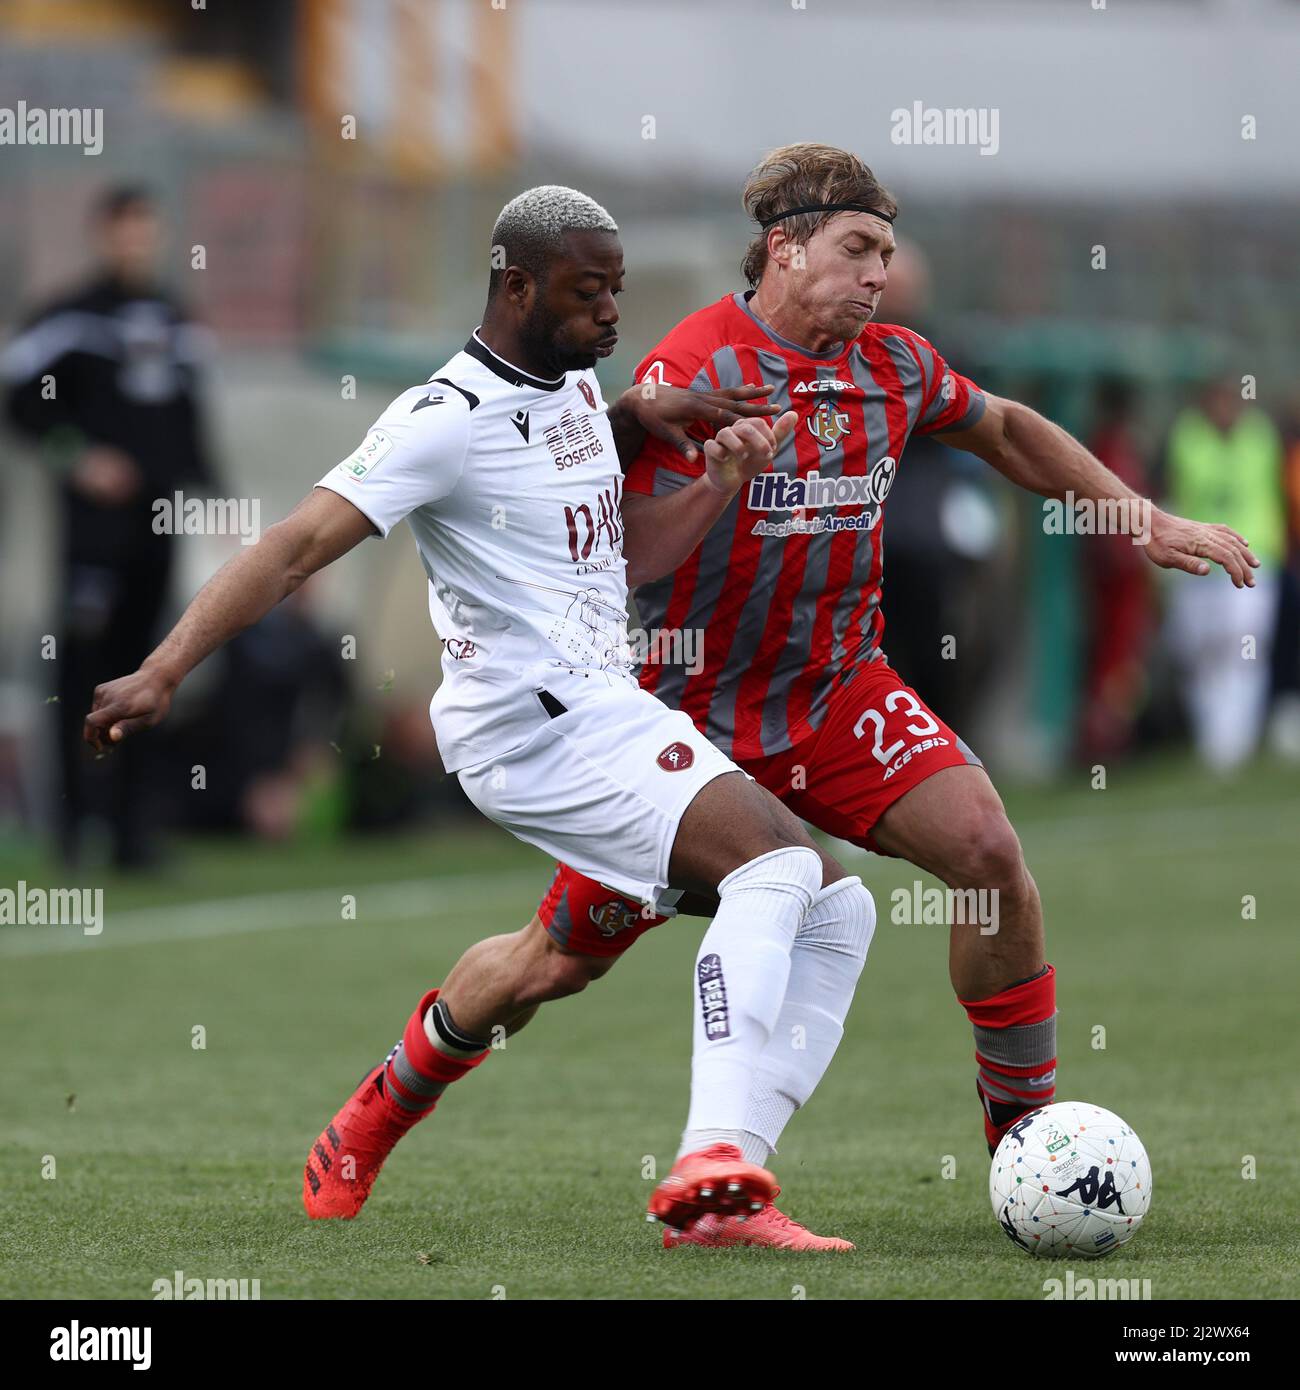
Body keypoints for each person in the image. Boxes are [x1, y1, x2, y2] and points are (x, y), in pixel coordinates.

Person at [83, 185, 877, 1237]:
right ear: (516, 286)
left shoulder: (574, 396)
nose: (609, 315)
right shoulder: (440, 419)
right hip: (532, 726)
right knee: (777, 872)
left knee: (619, 949)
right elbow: (290, 547)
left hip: (605, 713)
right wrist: (163, 667)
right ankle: (714, 1167)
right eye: (588, 292)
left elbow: (620, 557)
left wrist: (704, 470)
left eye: (618, 292)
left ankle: (374, 1111)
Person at [509, 145, 1258, 1250]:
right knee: (555, 962)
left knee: (989, 855)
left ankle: (1025, 1144)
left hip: (832, 691)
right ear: (784, 247)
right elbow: (620, 554)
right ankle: (398, 1086)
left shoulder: (896, 366)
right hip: (687, 715)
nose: (877, 275)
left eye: (886, 254)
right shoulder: (689, 367)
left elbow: (1001, 425)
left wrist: (1136, 514)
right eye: (857, 250)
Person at [2, 184, 216, 869]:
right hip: (93, 536)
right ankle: (70, 831)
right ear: (104, 235)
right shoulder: (69, 317)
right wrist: (78, 457)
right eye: (125, 229)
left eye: (146, 229)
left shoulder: (178, 320)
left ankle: (132, 835)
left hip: (157, 536)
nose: (136, 242)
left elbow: (191, 426)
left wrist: (216, 501)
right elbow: (19, 404)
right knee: (82, 671)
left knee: (150, 673)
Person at [1163, 376, 1283, 771]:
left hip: (1252, 556)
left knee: (1243, 646)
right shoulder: (1188, 437)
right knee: (1200, 651)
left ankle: (1232, 742)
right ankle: (1213, 736)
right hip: (1199, 562)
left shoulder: (1258, 436)